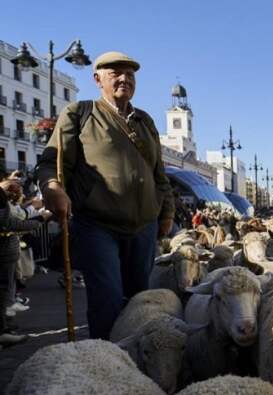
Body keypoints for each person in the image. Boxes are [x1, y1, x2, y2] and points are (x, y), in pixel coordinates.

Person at [36, 52, 175, 340]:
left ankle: (138, 362)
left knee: (141, 301)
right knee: (107, 301)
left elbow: (159, 172)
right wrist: (52, 187)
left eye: (130, 74)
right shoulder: (79, 113)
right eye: (115, 74)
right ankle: (107, 364)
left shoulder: (145, 121)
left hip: (144, 227)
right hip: (98, 226)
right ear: (97, 79)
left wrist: (167, 211)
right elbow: (52, 162)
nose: (125, 79)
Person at [0, 186, 41, 347]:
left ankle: (4, 329)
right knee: (4, 291)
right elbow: (8, 221)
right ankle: (3, 331)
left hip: (7, 251)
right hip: (4, 251)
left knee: (6, 289)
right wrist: (40, 219)